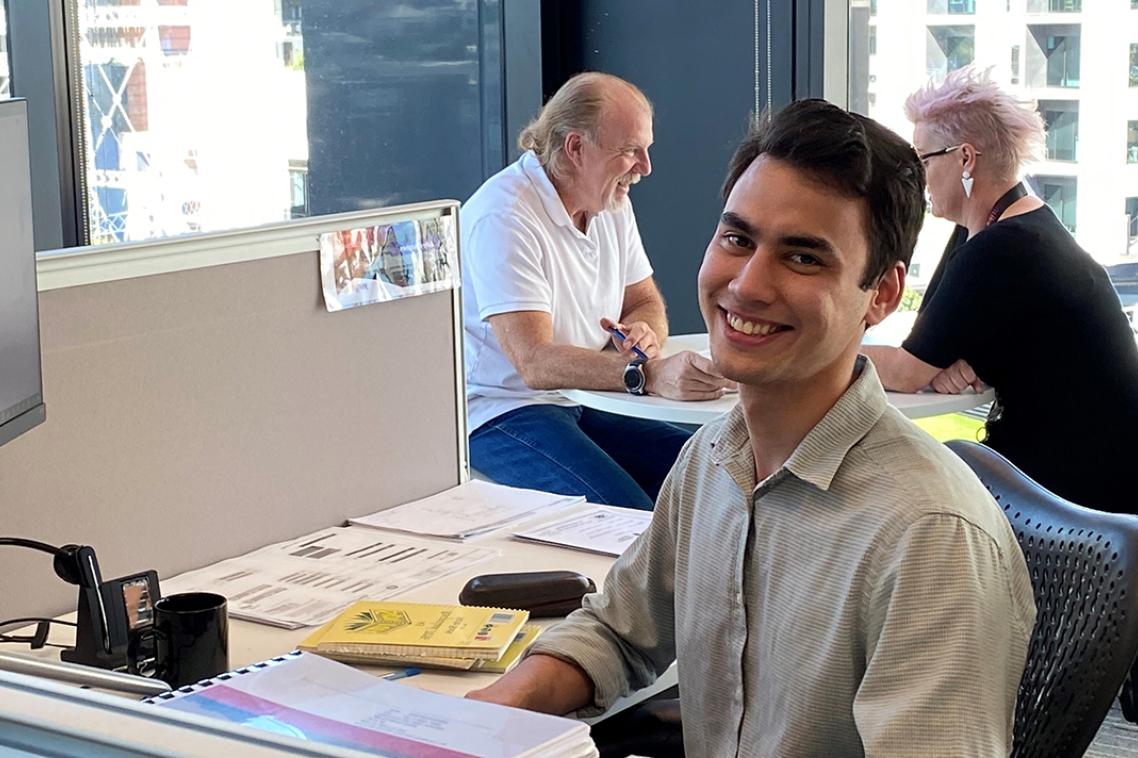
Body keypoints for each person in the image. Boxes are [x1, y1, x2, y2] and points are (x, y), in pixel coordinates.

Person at [466, 99, 1036, 755]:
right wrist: (497, 707)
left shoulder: (930, 538)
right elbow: (621, 632)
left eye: (803, 258)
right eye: (738, 239)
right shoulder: (712, 457)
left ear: (880, 294)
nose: (747, 285)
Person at [864, 67, 1138, 514]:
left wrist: (804, 349)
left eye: (923, 160)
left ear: (965, 159)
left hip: (1074, 506)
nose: (918, 177)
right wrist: (951, 361)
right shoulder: (1009, 227)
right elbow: (929, 343)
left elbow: (906, 371)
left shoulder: (1004, 247)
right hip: (1077, 481)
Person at [461, 72, 734, 510]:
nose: (645, 167)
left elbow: (645, 300)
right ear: (575, 148)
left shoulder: (610, 202)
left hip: (579, 399)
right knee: (628, 515)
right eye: (630, 151)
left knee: (716, 475)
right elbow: (534, 362)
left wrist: (645, 332)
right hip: (502, 412)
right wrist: (647, 375)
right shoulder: (504, 216)